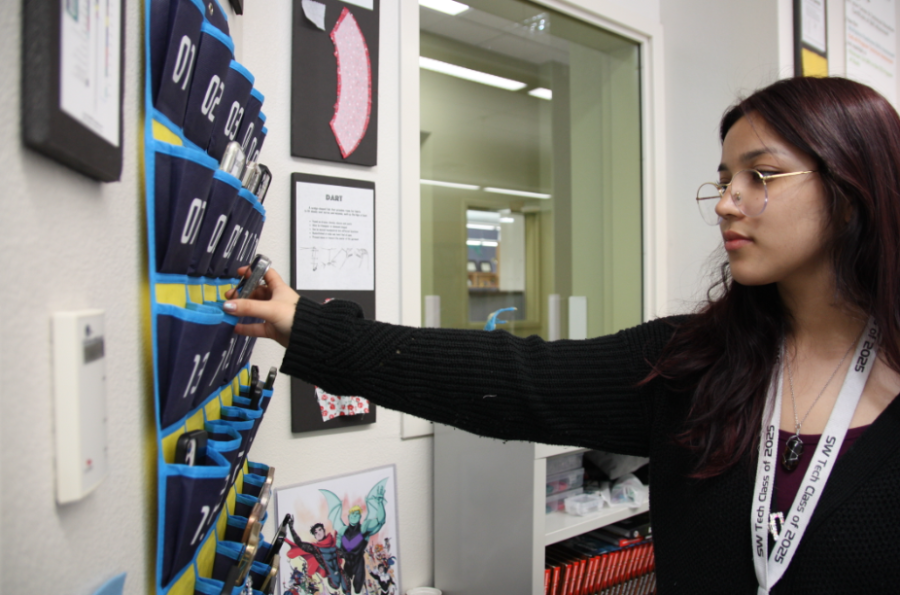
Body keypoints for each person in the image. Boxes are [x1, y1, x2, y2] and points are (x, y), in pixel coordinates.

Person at [223, 77, 900, 594]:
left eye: (762, 175)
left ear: (850, 189)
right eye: (724, 179)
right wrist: (311, 329)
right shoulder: (696, 366)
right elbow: (515, 377)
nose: (726, 200)